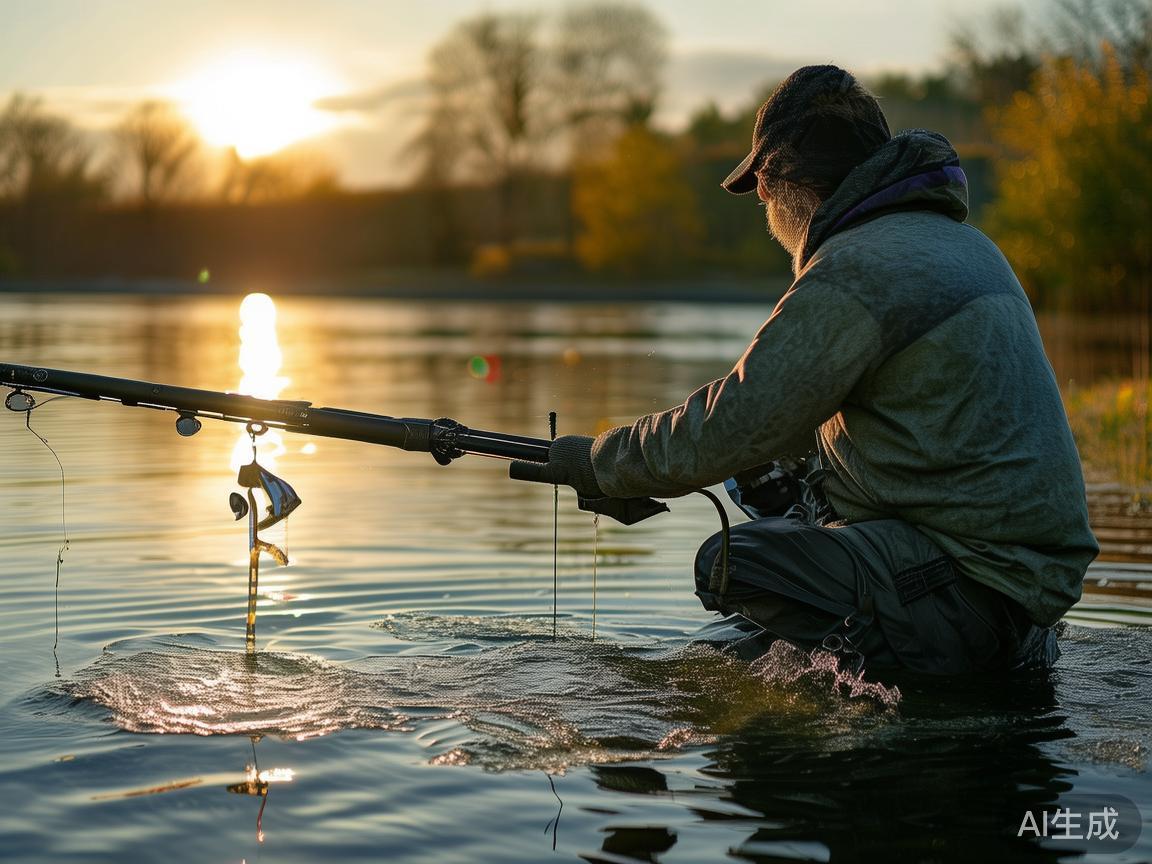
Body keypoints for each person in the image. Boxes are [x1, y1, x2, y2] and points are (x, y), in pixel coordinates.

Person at [516, 65, 1099, 675]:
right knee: (777, 539)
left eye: (760, 189)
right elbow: (907, 429)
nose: (764, 207)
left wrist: (603, 464)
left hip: (970, 594)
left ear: (778, 182)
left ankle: (892, 682)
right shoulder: (966, 245)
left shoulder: (859, 267)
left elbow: (732, 423)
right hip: (1024, 605)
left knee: (733, 563)